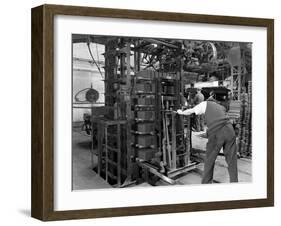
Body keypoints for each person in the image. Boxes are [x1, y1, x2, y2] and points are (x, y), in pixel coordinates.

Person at [177, 101, 238, 183]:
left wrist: (181, 112)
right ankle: (234, 183)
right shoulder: (220, 106)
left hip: (217, 133)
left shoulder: (203, 104)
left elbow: (191, 111)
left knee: (209, 159)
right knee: (232, 160)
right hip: (230, 131)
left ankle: (206, 184)